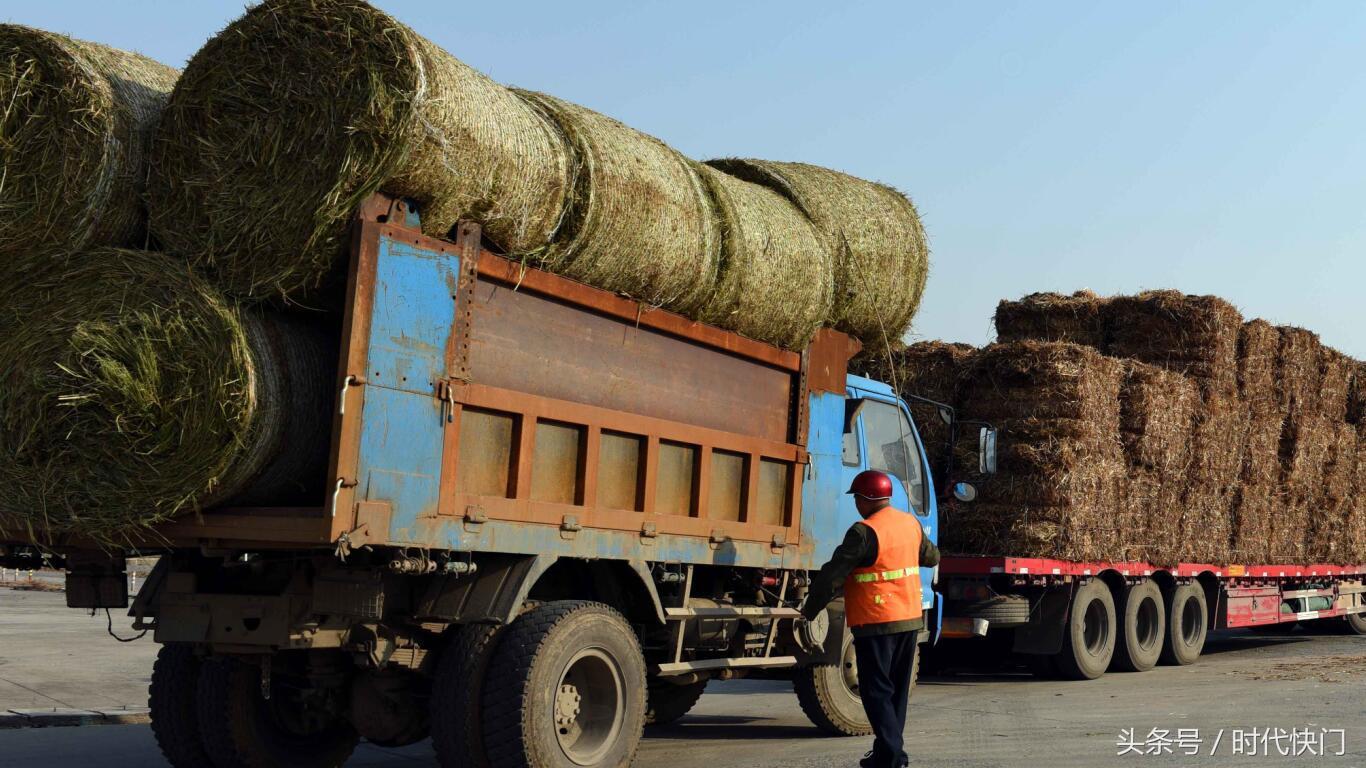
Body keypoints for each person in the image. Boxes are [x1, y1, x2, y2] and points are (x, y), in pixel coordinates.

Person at [801, 469, 940, 768]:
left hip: (876, 621)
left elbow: (832, 576)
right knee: (897, 691)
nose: (856, 505)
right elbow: (932, 557)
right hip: (909, 618)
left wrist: (809, 611)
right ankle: (888, 752)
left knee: (876, 690)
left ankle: (890, 756)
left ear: (866, 499)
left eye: (857, 499)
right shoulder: (910, 524)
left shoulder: (863, 532)